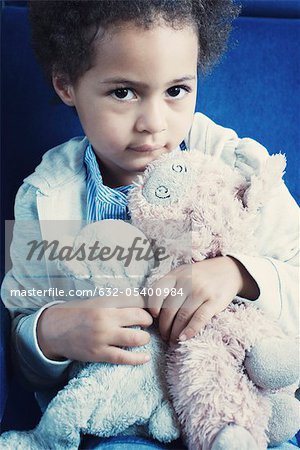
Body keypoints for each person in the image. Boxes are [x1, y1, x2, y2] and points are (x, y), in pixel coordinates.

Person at [1, 1, 298, 449]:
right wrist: (55, 332)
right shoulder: (45, 197)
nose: (155, 124)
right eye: (123, 93)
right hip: (122, 419)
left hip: (240, 410)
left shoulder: (240, 168)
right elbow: (21, 333)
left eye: (177, 90)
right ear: (66, 85)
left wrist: (239, 273)